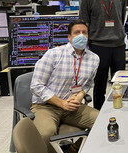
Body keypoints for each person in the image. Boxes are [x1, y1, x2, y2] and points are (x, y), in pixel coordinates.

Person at [30, 19, 100, 153]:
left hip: (73, 107)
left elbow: (88, 84)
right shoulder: (53, 54)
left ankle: (74, 149)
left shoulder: (94, 59)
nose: (81, 35)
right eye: (76, 32)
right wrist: (61, 103)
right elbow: (36, 86)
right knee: (46, 134)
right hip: (46, 106)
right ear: (69, 37)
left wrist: (79, 97)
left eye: (84, 32)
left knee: (103, 122)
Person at [79, 0, 127, 110]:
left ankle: (119, 110)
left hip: (118, 46)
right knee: (99, 85)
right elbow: (84, 25)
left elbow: (121, 18)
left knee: (119, 83)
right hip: (98, 46)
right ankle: (98, 115)